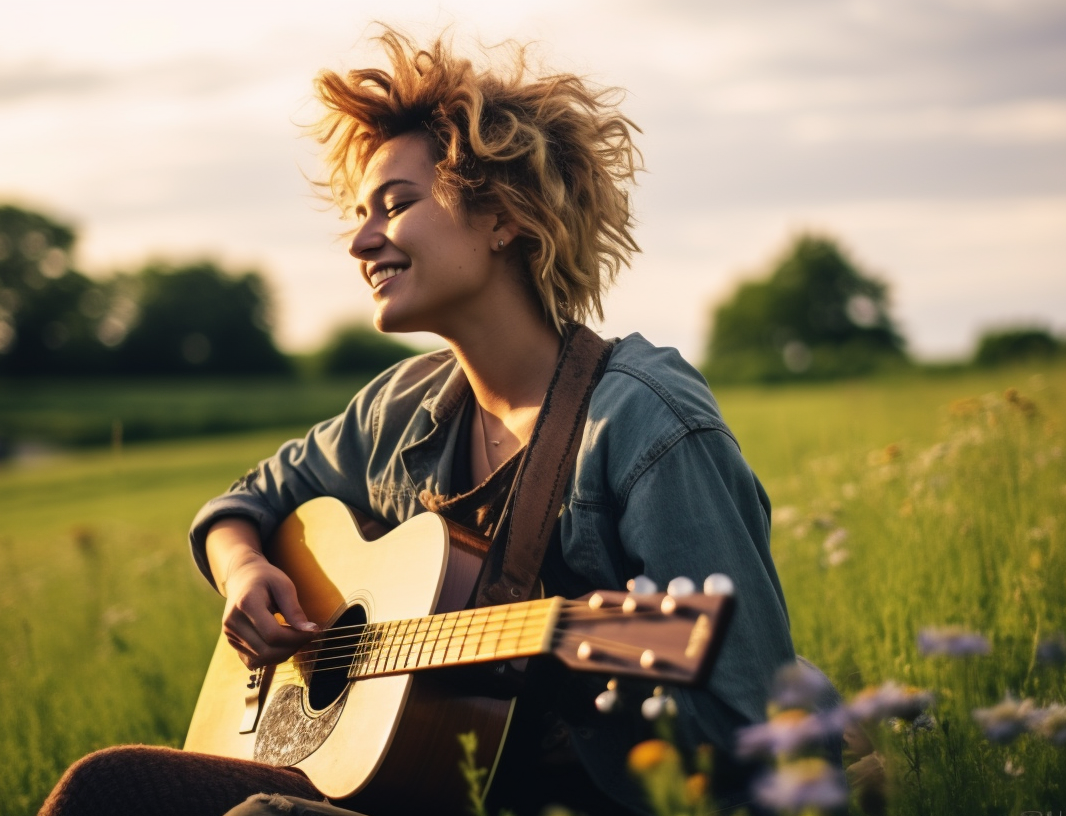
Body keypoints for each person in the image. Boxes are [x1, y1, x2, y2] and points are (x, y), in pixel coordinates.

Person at [40, 28, 795, 816]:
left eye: (396, 205)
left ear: (503, 215)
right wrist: (244, 573)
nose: (362, 240)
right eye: (359, 214)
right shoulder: (401, 407)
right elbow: (249, 500)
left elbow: (762, 727)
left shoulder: (646, 425)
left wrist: (577, 682)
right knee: (108, 788)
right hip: (392, 785)